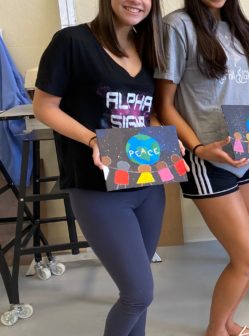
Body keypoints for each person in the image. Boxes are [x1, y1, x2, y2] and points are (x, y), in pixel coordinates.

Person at [33, 0, 167, 335]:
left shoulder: (148, 47)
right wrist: (93, 139)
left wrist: (164, 134)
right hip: (97, 188)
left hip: (147, 183)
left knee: (139, 291)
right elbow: (44, 107)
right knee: (138, 293)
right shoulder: (72, 42)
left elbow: (148, 110)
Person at [154, 0, 249, 335]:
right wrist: (200, 147)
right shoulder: (177, 26)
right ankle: (216, 330)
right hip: (206, 156)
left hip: (244, 152)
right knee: (247, 256)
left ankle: (227, 322)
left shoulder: (243, 28)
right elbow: (164, 105)